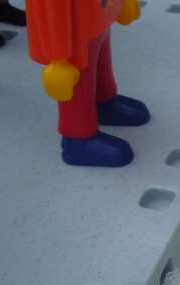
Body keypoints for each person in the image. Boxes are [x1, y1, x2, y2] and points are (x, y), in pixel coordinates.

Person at [25, 0, 149, 167]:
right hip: (73, 33)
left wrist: (124, 3)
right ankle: (78, 139)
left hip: (98, 16)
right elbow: (51, 8)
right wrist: (58, 60)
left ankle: (103, 102)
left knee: (101, 62)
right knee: (78, 81)